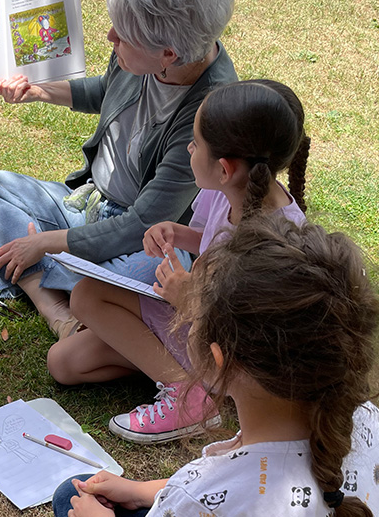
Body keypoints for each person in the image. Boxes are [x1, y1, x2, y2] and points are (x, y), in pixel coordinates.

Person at [0, 0, 237, 338]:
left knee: (144, 272)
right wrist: (39, 91)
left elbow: (141, 223)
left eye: (123, 35)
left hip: (146, 239)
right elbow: (106, 88)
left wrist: (45, 244)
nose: (110, 37)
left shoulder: (209, 114)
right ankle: (50, 300)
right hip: (87, 205)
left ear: (169, 53)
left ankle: (21, 265)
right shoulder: (141, 51)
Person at [52, 217, 379, 517]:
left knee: (71, 496)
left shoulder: (193, 498)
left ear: (220, 357)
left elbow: (214, 496)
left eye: (193, 312)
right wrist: (139, 491)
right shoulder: (364, 417)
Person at [47, 79, 310, 443]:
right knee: (64, 363)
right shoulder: (224, 191)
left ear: (224, 168)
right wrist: (177, 232)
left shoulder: (280, 240)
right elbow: (213, 240)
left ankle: (189, 398)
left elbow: (256, 335)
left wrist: (187, 297)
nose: (188, 148)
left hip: (229, 352)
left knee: (88, 296)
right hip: (196, 328)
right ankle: (184, 379)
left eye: (196, 143)